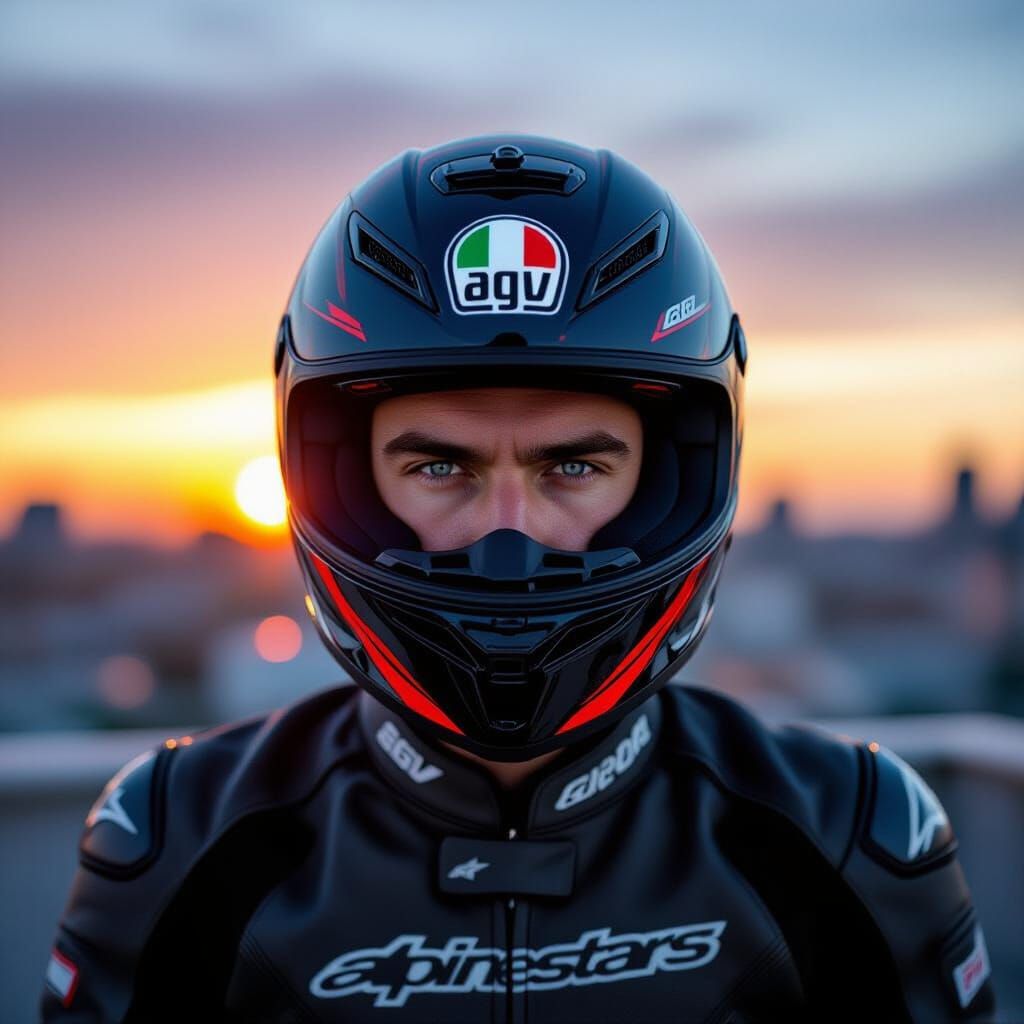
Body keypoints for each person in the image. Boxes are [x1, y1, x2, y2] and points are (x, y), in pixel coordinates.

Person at [41, 134, 996, 1022]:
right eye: (439, 467)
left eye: (573, 467)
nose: (510, 540)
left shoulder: (849, 838)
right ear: (341, 479)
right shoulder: (174, 844)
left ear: (672, 478)